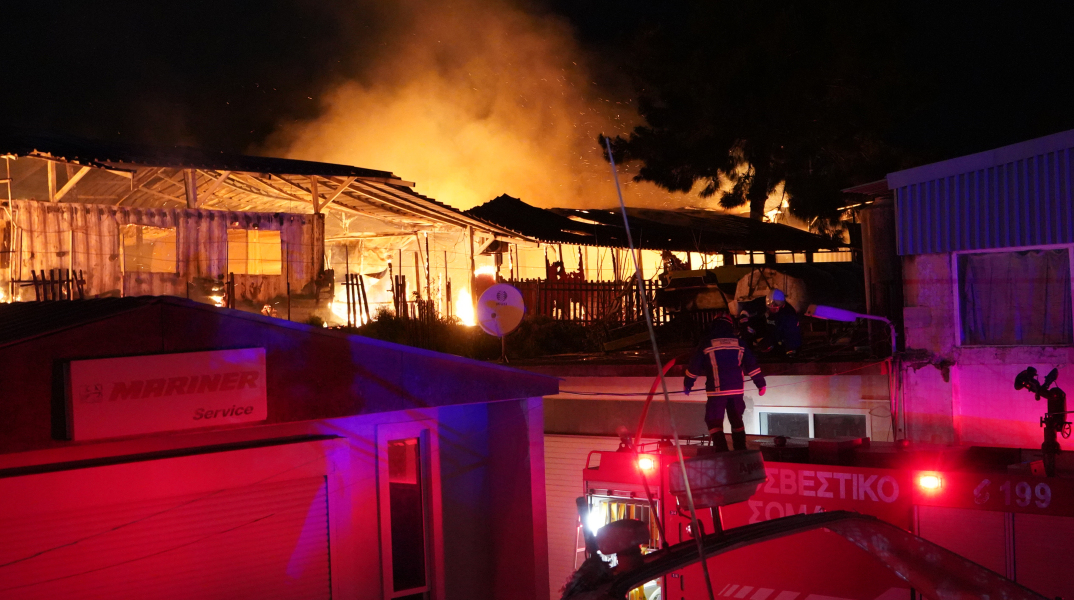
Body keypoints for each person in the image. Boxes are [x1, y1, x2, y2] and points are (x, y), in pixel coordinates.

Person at [682, 311, 766, 451]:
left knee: (714, 421)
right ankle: (740, 450)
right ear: (730, 325)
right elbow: (752, 365)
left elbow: (694, 366)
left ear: (714, 325)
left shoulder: (707, 343)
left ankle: (722, 451)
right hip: (736, 390)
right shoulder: (739, 343)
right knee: (736, 420)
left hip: (717, 391)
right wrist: (761, 384)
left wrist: (688, 384)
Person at [763, 289, 802, 356]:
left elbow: (791, 332)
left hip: (785, 338)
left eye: (775, 308)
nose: (772, 310)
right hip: (773, 336)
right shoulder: (768, 310)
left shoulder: (789, 314)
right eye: (770, 308)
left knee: (790, 345)